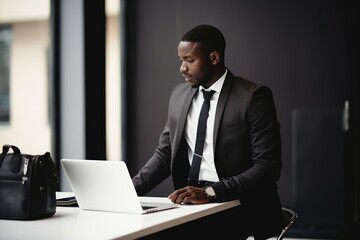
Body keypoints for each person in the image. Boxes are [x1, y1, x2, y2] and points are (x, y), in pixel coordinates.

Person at [132, 24, 283, 239]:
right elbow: (166, 154)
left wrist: (212, 192)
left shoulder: (253, 97)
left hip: (241, 203)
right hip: (191, 203)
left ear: (213, 58)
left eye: (189, 60)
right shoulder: (179, 95)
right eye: (181, 60)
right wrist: (128, 192)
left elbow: (268, 166)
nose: (182, 68)